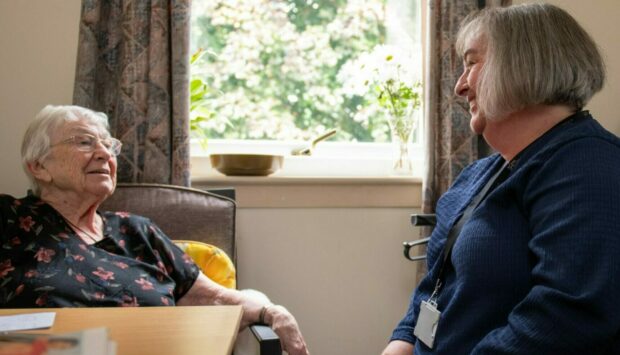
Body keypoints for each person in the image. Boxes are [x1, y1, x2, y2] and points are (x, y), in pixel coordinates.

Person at [383, 3, 620, 354]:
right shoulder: (478, 175)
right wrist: (401, 342)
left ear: (523, 63)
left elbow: (566, 316)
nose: (460, 87)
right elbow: (434, 288)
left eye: (471, 64)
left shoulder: (590, 165)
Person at [0, 105, 309, 355]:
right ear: (38, 166)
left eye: (108, 145)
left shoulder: (136, 232)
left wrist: (273, 312)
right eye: (84, 142)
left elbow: (215, 299)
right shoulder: (10, 219)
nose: (104, 154)